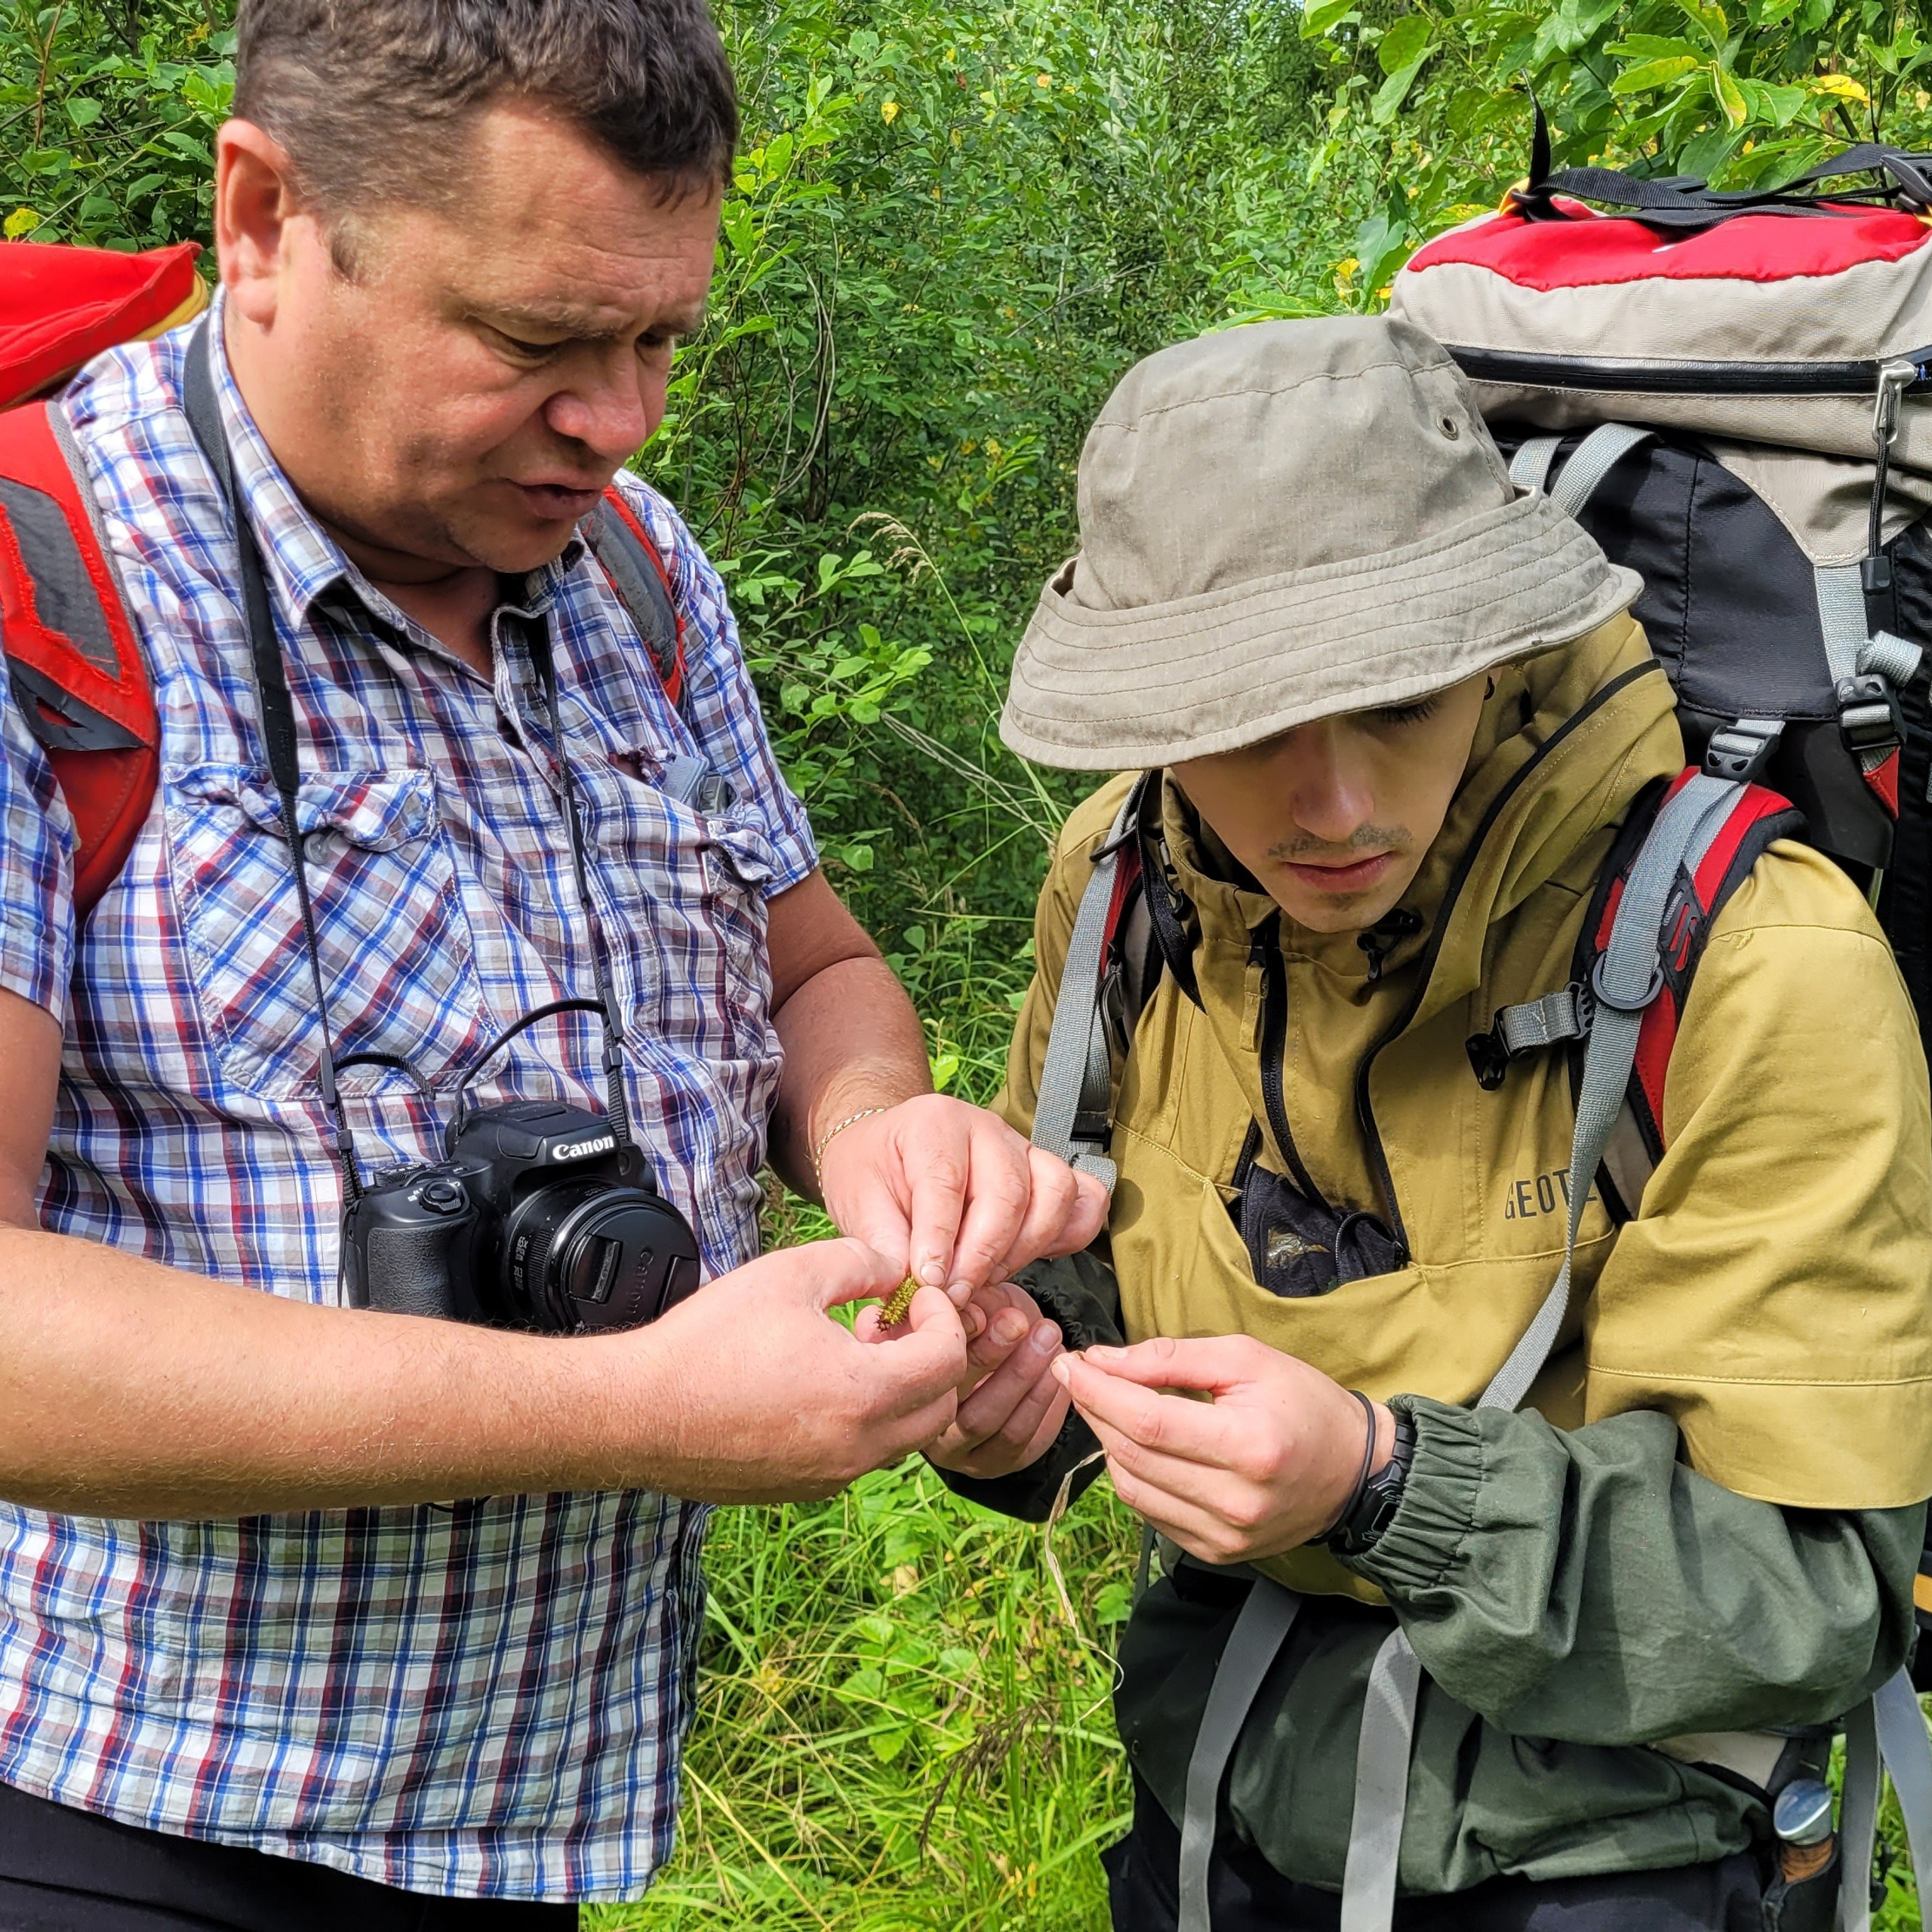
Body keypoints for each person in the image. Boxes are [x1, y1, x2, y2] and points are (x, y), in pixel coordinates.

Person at [0, 2, 1104, 1924]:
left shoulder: (633, 572)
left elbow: (804, 965)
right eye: (529, 342)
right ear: (260, 220)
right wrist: (641, 1412)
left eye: (657, 337)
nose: (617, 417)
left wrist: (878, 1139)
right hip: (113, 1813)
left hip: (535, 1812)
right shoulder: (48, 591)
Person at [937, 316, 1932, 1930]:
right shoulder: (1127, 884)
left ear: (1492, 640)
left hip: (1628, 1852)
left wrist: (1382, 1484)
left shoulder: (1748, 956)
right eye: (1245, 721)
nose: (1328, 806)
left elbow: (1818, 1585)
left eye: (1396, 698)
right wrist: (1007, 1397)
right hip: (1215, 1801)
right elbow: (1095, 1300)